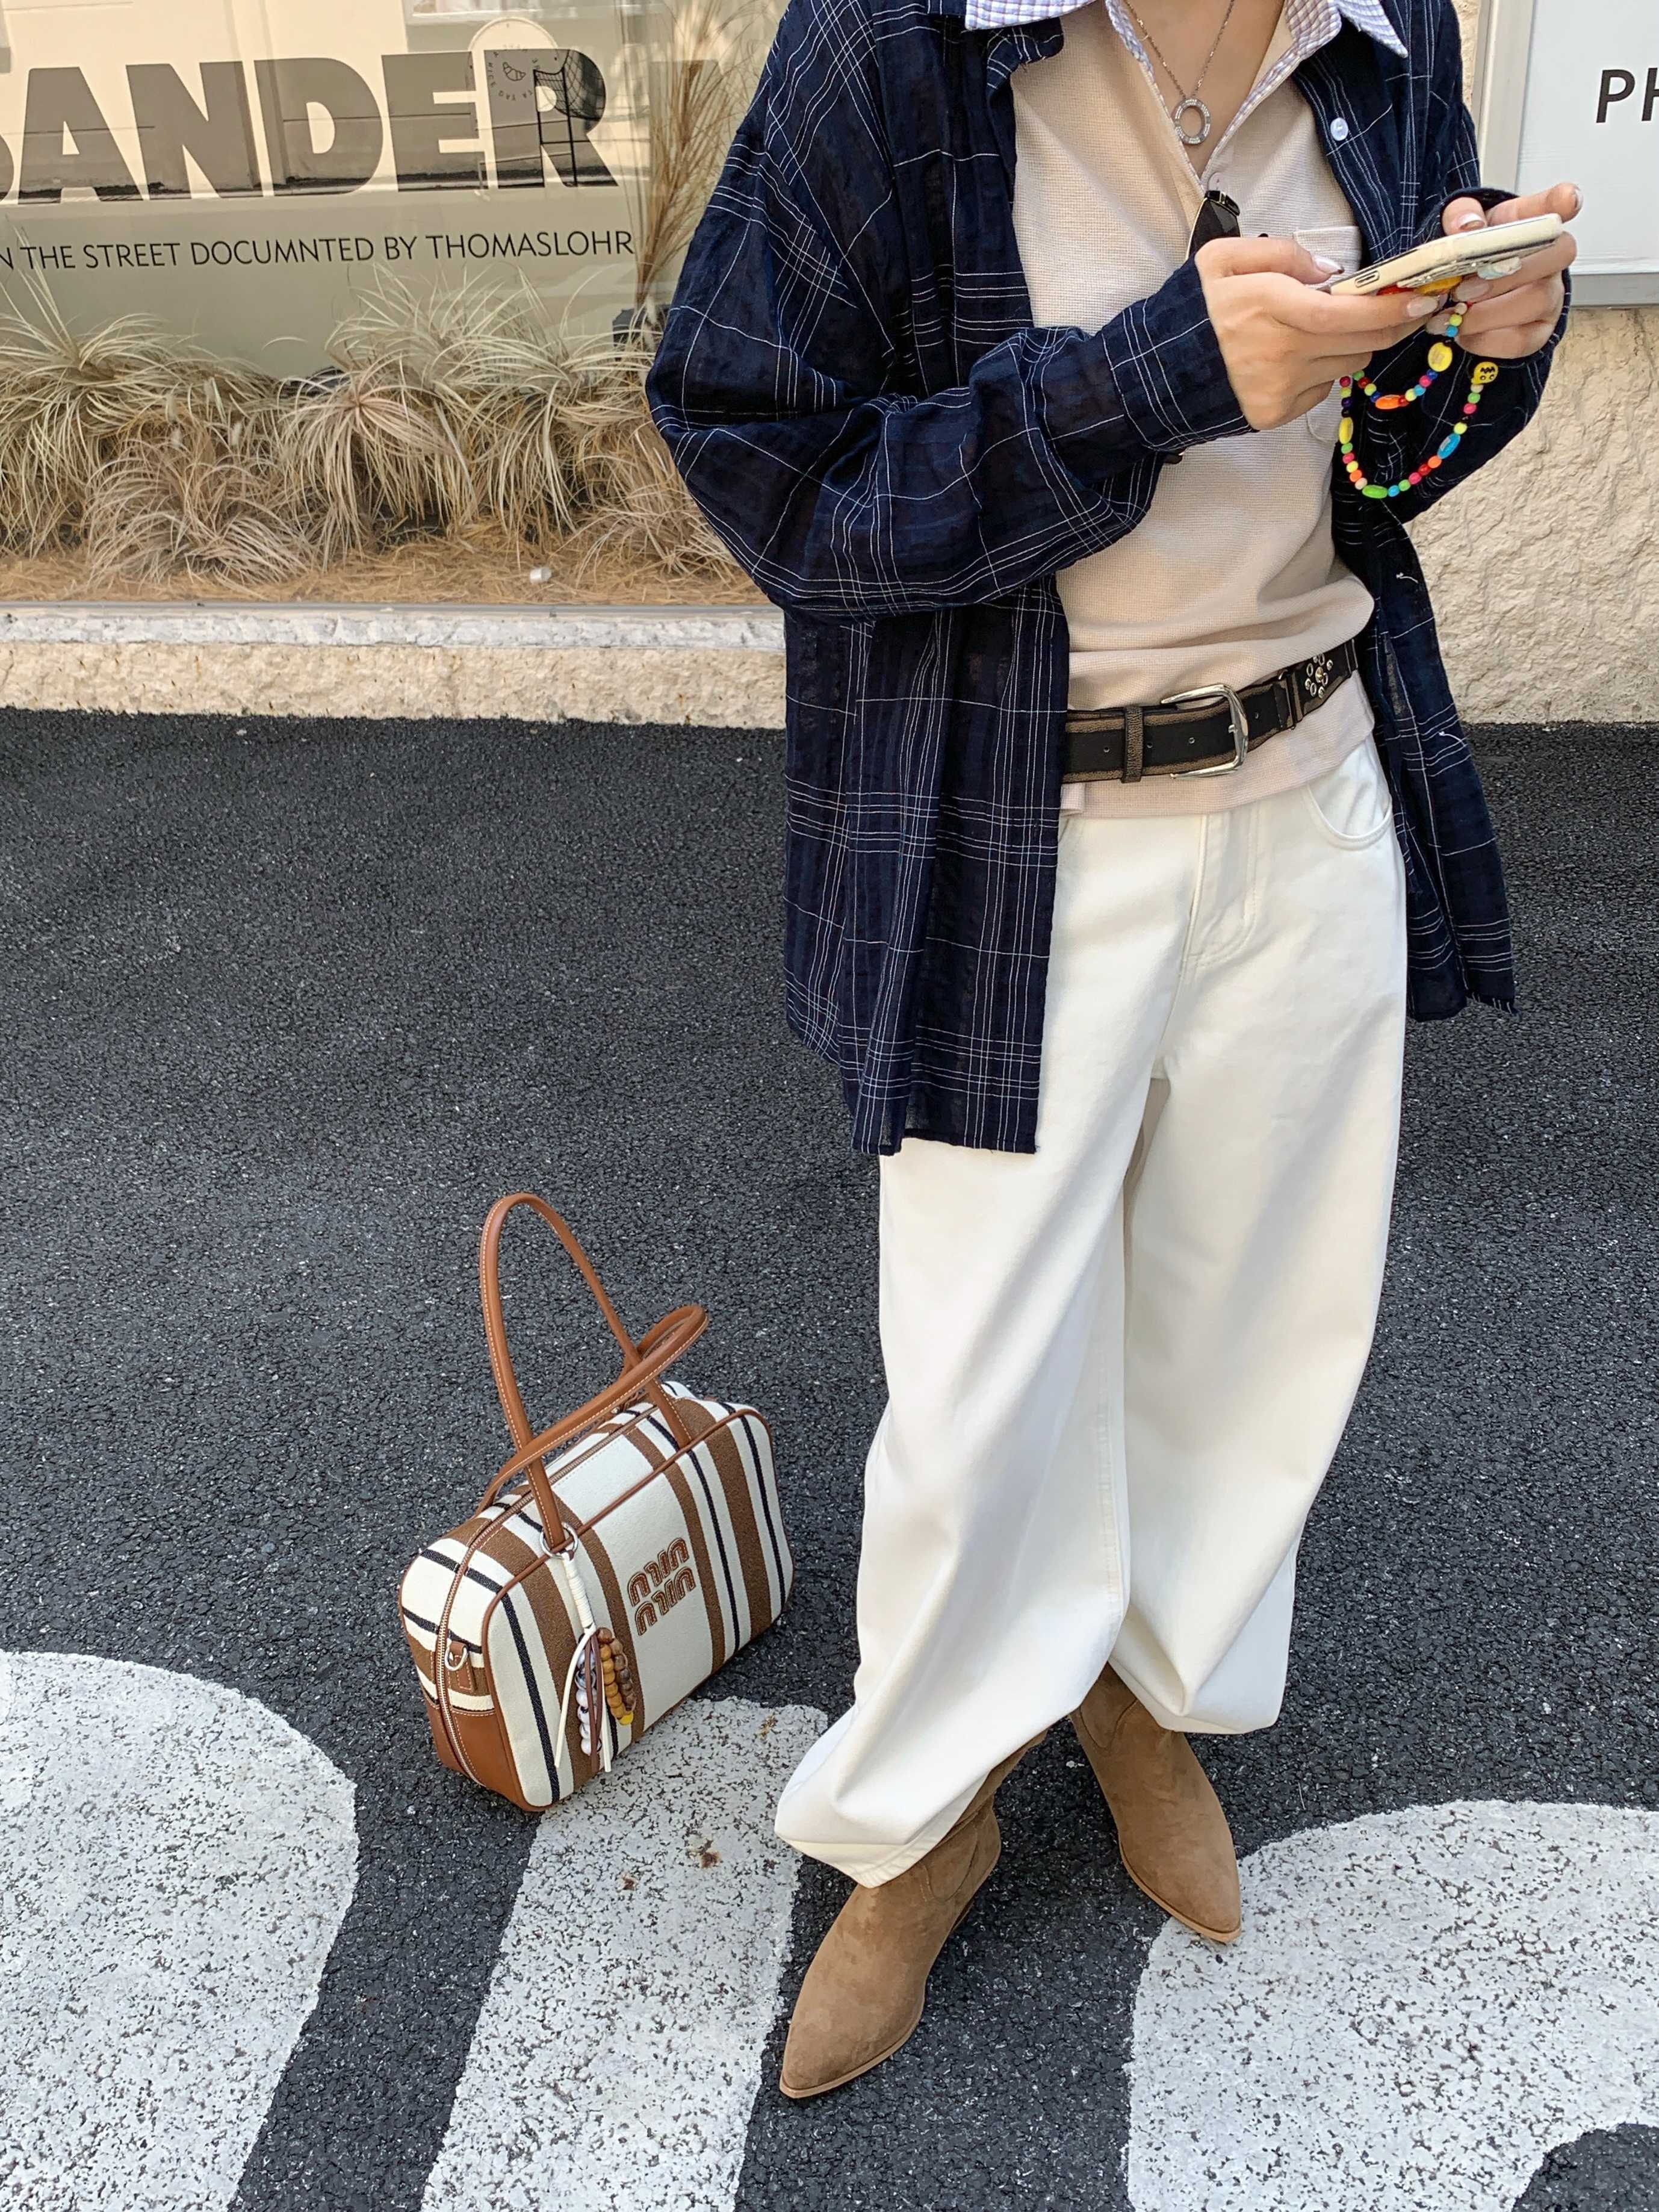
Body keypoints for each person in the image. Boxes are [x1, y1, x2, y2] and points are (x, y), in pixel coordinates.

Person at [647, 0, 1577, 2101]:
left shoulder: (1383, 31)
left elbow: (1377, 468)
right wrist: (1158, 373)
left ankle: (1142, 1688)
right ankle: (925, 1813)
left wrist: (1477, 346)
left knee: (1249, 1325)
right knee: (982, 1385)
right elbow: (764, 464)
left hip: (1308, 784)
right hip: (1018, 824)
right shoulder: (897, 44)